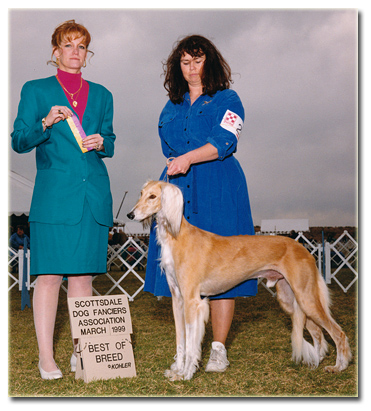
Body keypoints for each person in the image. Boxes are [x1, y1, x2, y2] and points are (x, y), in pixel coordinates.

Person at [145, 35, 257, 373]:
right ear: (177, 67)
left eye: (197, 59)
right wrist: (178, 165)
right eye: (184, 61)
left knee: (223, 271)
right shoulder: (172, 105)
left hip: (219, 187)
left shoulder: (228, 98)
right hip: (178, 188)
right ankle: (185, 350)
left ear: (210, 61)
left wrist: (188, 158)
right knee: (180, 275)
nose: (191, 67)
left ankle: (218, 349)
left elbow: (226, 140)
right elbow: (168, 145)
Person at [11, 20, 116, 380]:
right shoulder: (36, 90)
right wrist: (44, 122)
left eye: (82, 46)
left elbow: (112, 141)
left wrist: (103, 142)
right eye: (68, 45)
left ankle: (83, 352)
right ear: (55, 52)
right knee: (49, 277)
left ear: (87, 54)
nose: (75, 52)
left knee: (83, 279)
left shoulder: (102, 94)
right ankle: (46, 358)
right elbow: (19, 140)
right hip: (55, 199)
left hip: (92, 197)